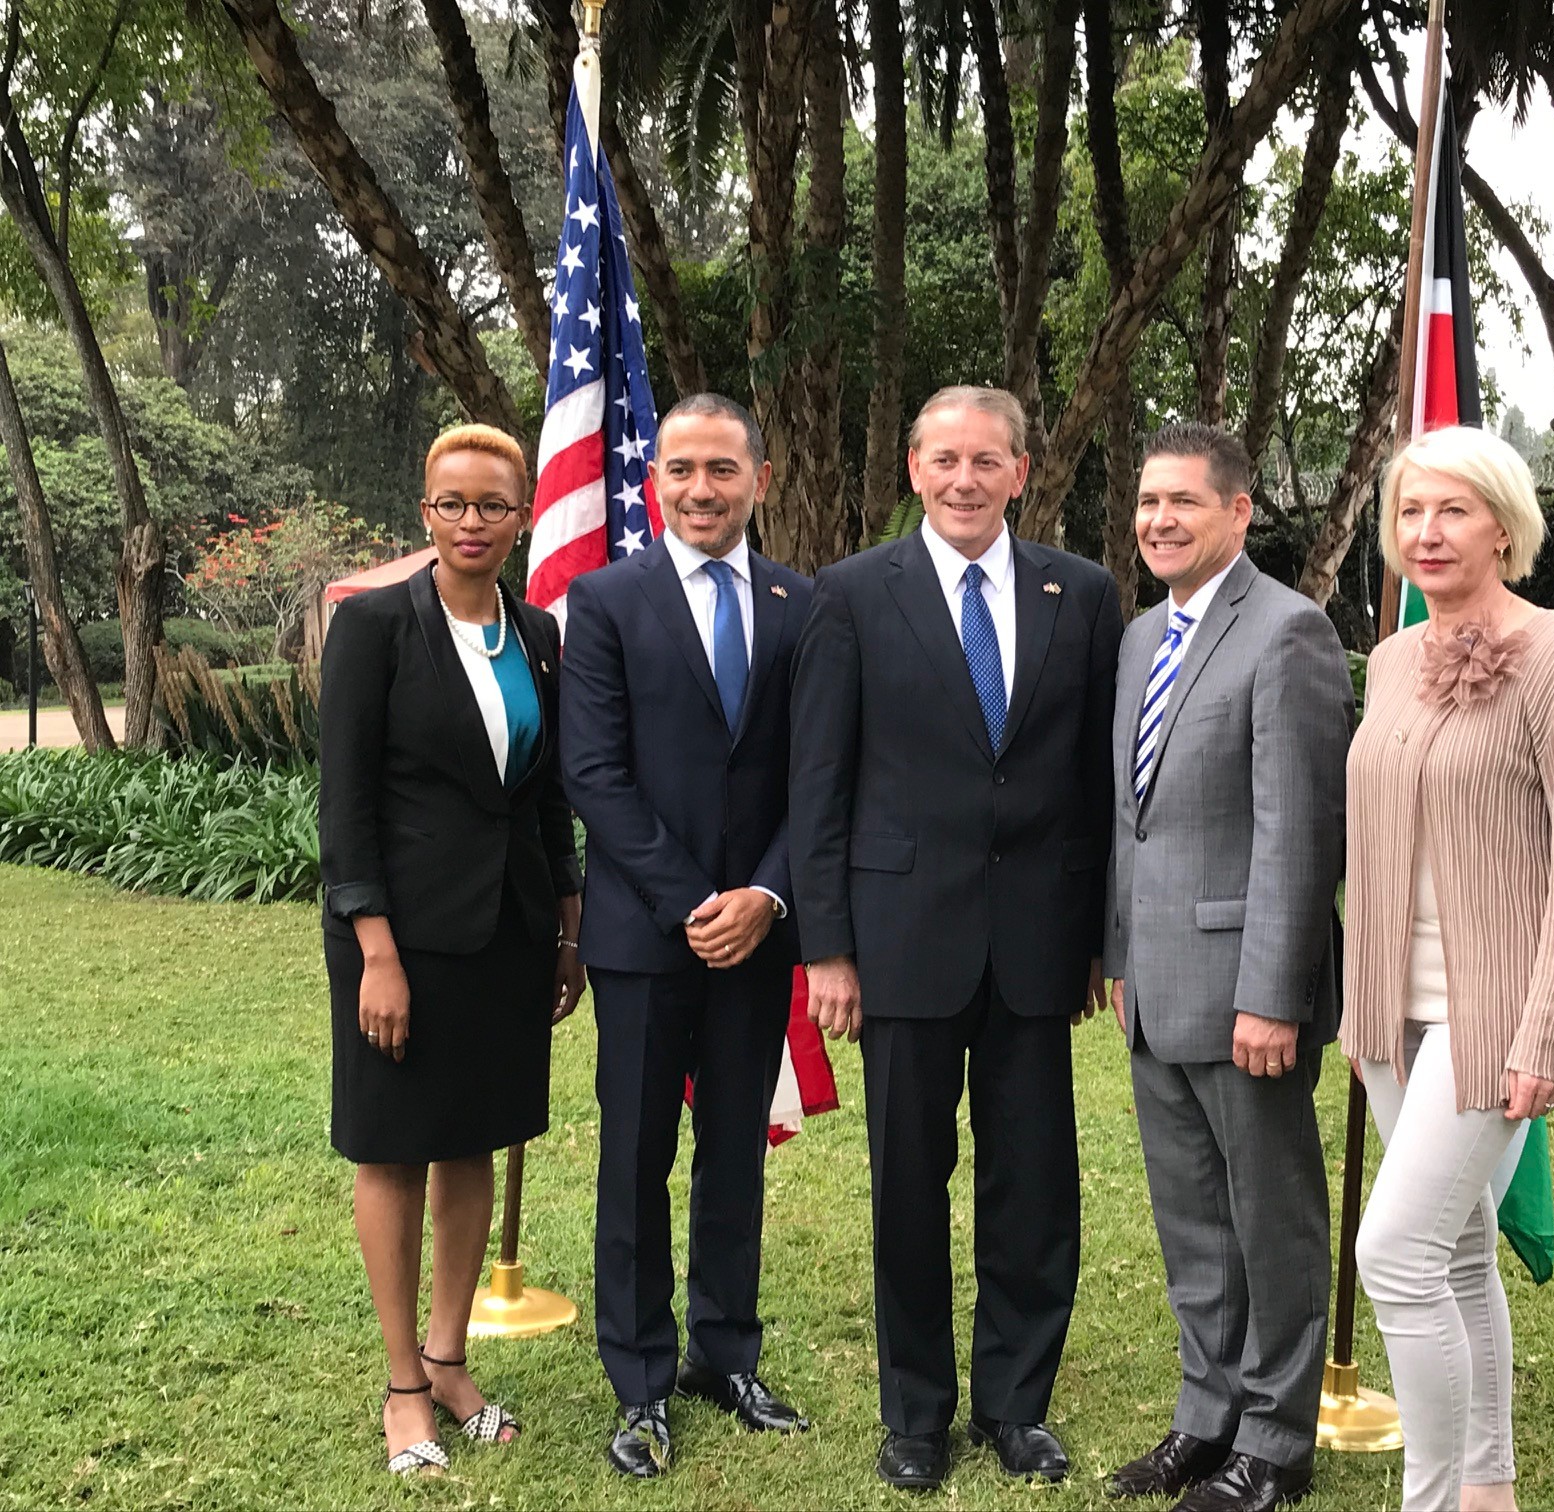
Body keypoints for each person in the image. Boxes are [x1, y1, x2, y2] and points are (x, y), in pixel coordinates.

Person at [789, 385, 1123, 1492]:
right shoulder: (851, 594)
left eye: (987, 460)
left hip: (1038, 945)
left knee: (1034, 1187)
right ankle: (916, 1416)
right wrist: (827, 947)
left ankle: (1017, 1406)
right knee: (908, 1187)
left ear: (1021, 472)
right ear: (914, 470)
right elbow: (820, 780)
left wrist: (1098, 937)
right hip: (900, 942)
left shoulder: (1081, 594)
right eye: (944, 459)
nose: (964, 480)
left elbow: (1096, 785)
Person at [1341, 424, 1554, 1512]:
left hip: (1492, 1014)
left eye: (1453, 510)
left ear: (1504, 526)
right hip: (1387, 1008)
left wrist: (1546, 1034)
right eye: (1410, 511)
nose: (1428, 531)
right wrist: (1357, 1001)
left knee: (1395, 1255)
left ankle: (1434, 1499)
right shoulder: (1391, 660)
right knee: (1455, 1256)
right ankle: (1488, 1489)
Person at [319, 423, 586, 1477]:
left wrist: (566, 926)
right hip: (402, 940)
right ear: (425, 511)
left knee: (474, 1139)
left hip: (509, 934)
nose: (472, 522)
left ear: (522, 517)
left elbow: (546, 797)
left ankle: (448, 1359)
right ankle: (402, 1387)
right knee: (392, 1147)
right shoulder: (374, 626)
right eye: (452, 503)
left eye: (493, 505)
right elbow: (345, 807)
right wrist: (375, 951)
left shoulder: (539, 635)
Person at [559, 394, 813, 1478]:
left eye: (722, 469)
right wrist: (692, 902)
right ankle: (640, 1380)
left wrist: (765, 897)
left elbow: (819, 774)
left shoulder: (802, 604)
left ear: (759, 478)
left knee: (735, 1157)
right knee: (636, 1159)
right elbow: (593, 772)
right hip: (645, 937)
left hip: (758, 936)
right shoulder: (605, 602)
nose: (700, 490)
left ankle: (726, 1354)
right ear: (652, 479)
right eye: (681, 470)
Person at [1104, 423, 1351, 1512]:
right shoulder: (1139, 639)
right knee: (1193, 1222)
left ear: (1239, 512)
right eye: (1148, 502)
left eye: (1183, 502)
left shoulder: (1289, 631)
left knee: (1271, 1219)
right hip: (1153, 989)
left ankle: (1276, 1442)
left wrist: (1272, 996)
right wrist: (1119, 955)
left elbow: (1299, 829)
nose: (1159, 520)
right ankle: (1206, 1419)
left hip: (1246, 994)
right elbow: (1134, 820)